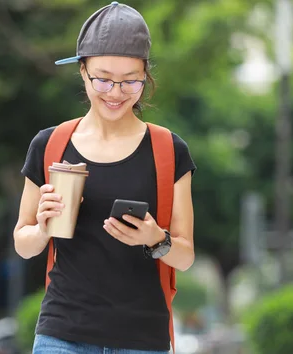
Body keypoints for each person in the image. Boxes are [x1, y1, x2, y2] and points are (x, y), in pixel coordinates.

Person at [13, 2, 196, 354]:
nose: (115, 93)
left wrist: (155, 238)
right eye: (103, 79)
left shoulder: (169, 150)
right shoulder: (50, 144)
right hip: (61, 336)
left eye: (131, 81)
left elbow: (185, 256)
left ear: (146, 74)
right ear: (82, 71)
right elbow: (23, 243)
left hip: (142, 339)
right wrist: (42, 227)